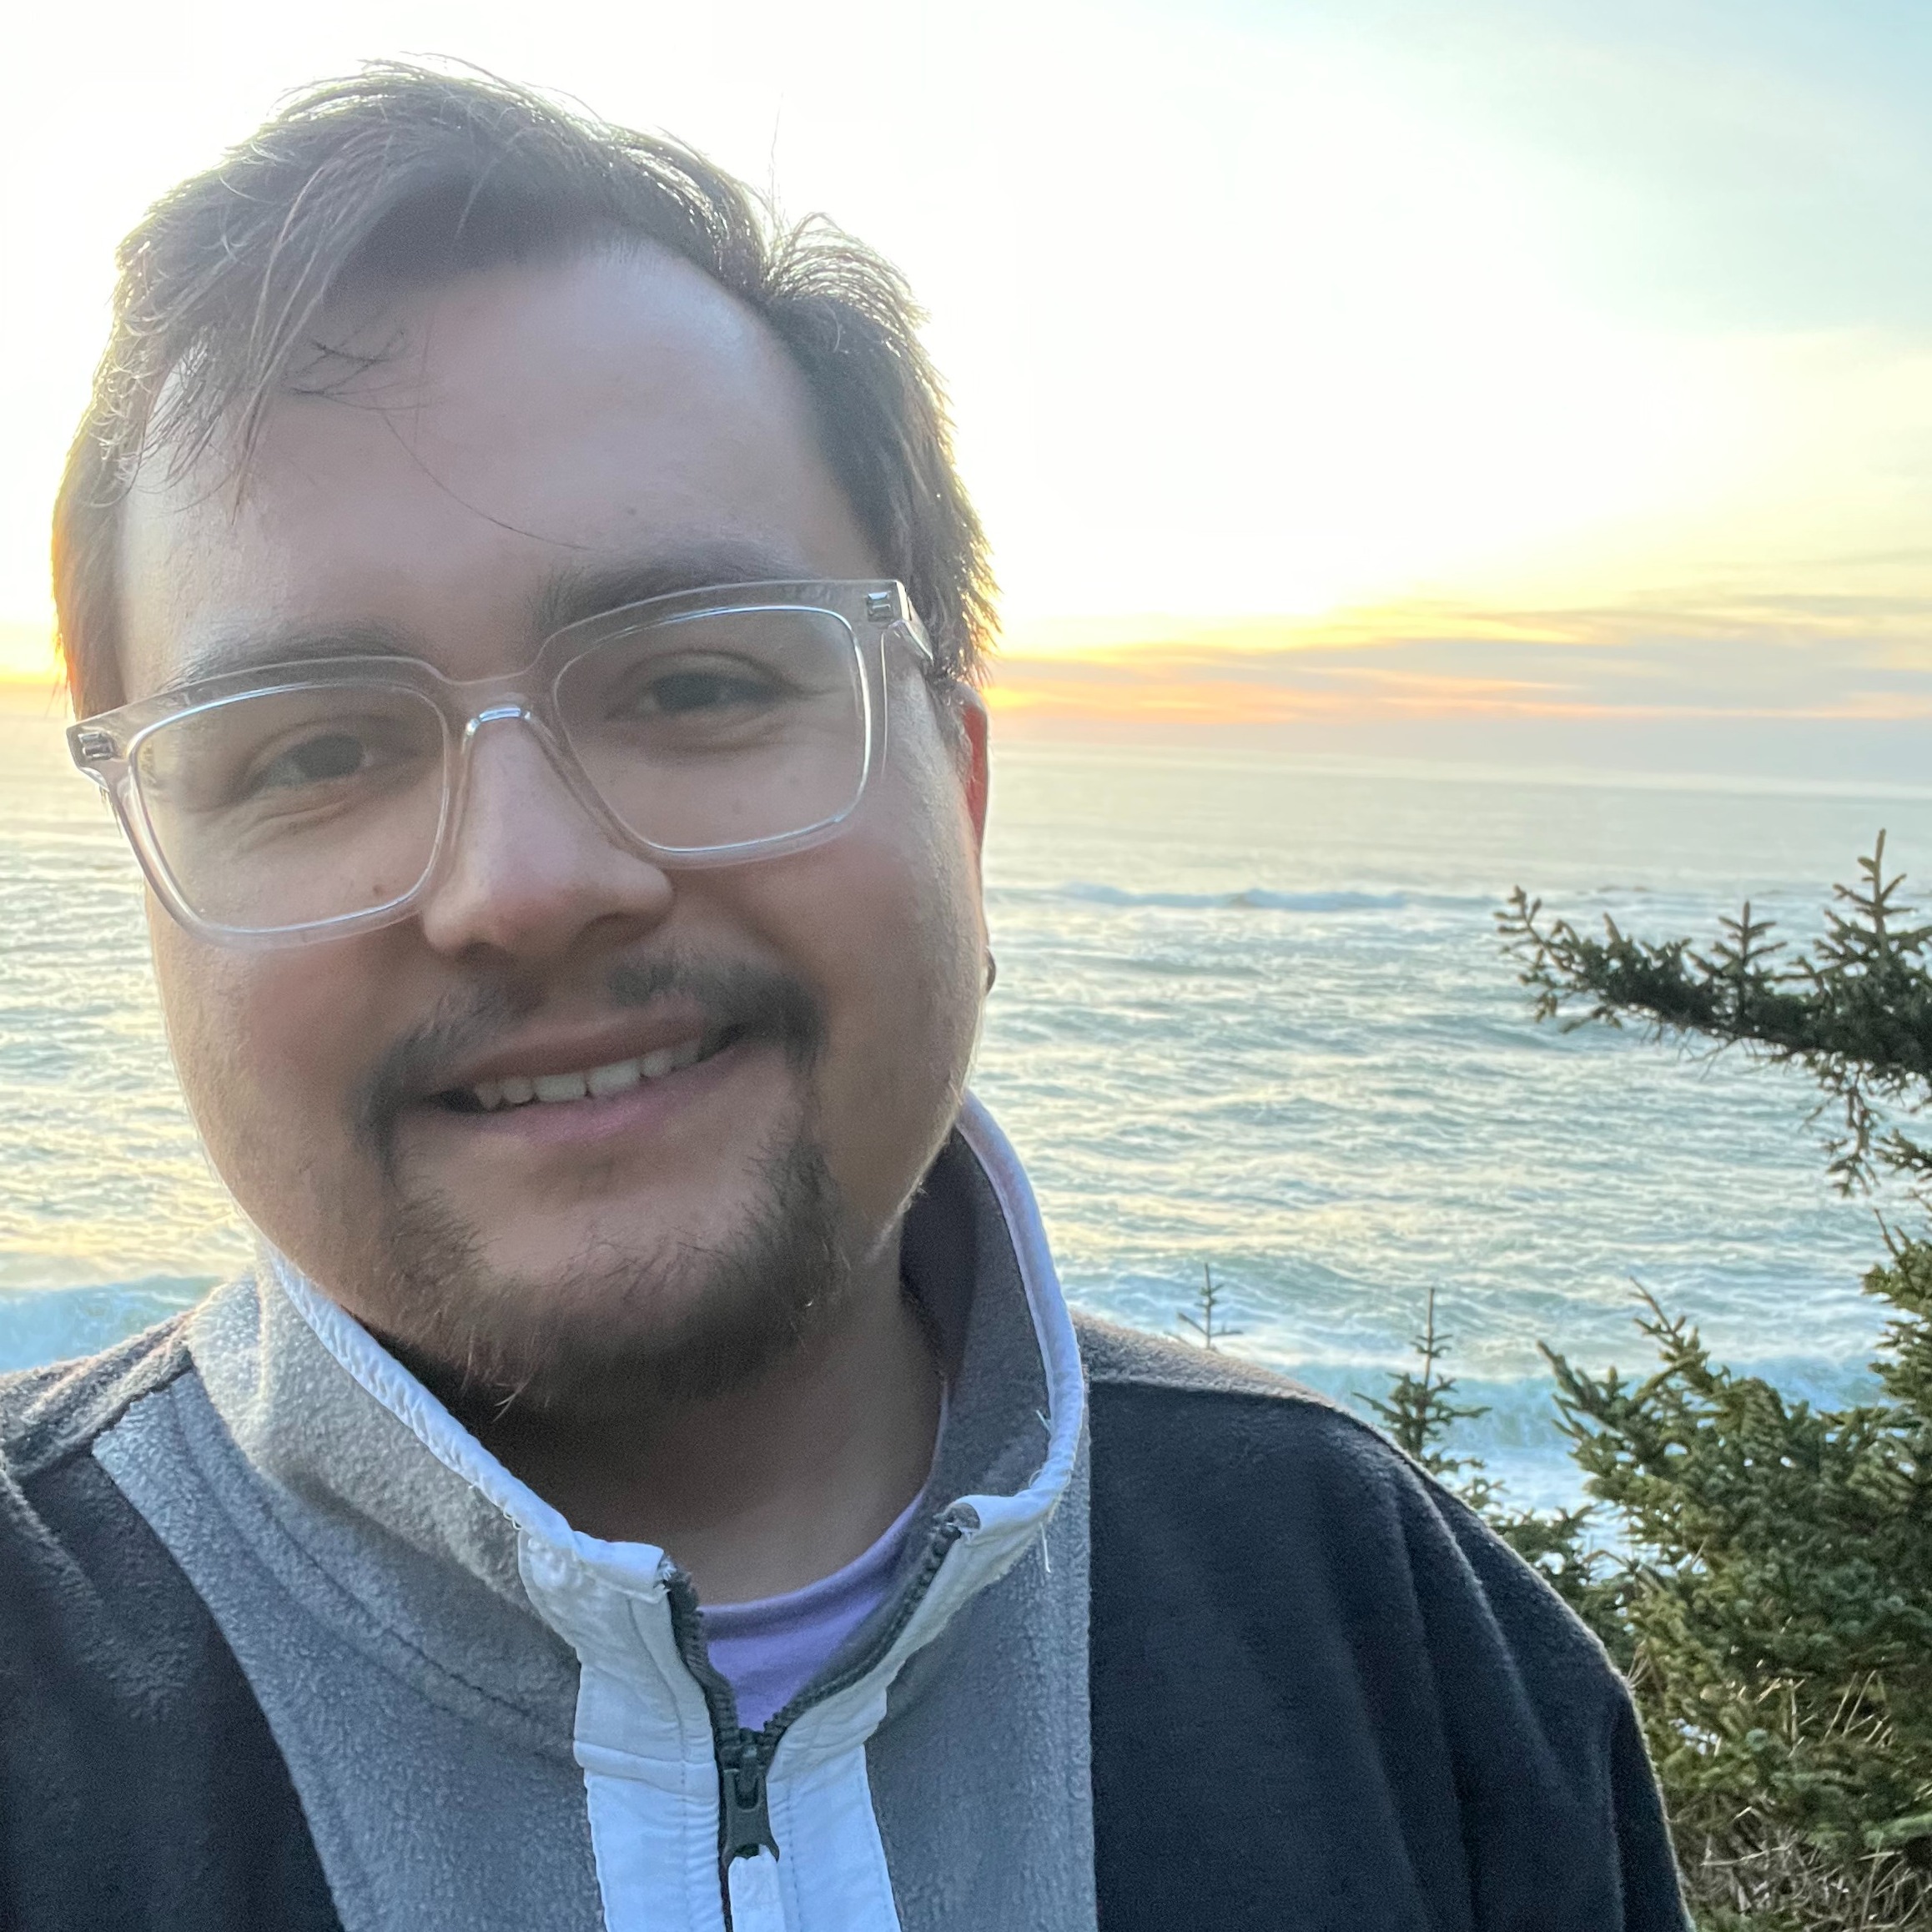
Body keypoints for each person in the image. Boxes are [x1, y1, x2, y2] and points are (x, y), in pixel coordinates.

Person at [0, 65, 1686, 1932]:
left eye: (700, 684)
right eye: (312, 750)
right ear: (156, 876)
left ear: (958, 796)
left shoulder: (1394, 1631)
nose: (528, 881)